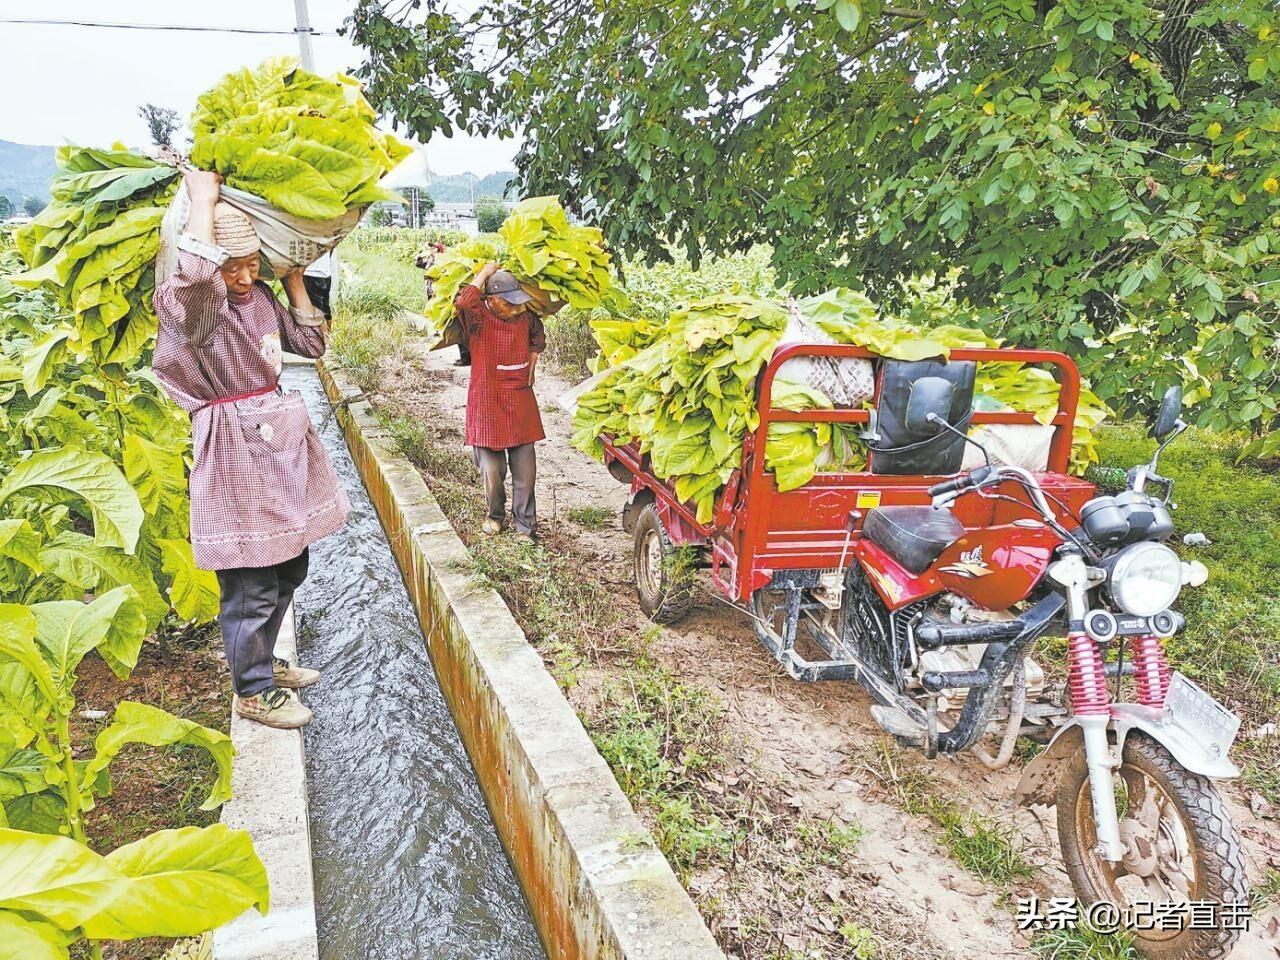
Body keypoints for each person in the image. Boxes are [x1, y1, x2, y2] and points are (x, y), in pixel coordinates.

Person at [152, 169, 351, 730]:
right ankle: (254, 692)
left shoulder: (260, 295)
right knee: (250, 576)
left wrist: (290, 278)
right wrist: (204, 199)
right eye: (230, 265)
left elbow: (311, 342)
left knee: (291, 563)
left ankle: (263, 660)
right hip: (235, 450)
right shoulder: (191, 305)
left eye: (251, 263)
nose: (241, 276)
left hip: (278, 443)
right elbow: (195, 274)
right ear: (211, 260)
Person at [454, 261, 545, 540]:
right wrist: (485, 272)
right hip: (487, 404)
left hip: (519, 400)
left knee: (525, 472)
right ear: (491, 300)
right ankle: (495, 515)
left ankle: (525, 527)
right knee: (492, 471)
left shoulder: (525, 319)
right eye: (509, 303)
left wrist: (531, 367)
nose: (516, 308)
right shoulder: (478, 319)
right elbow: (463, 301)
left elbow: (537, 338)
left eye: (518, 302)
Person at [418, 241, 470, 366]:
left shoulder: (445, 261)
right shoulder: (431, 260)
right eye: (431, 249)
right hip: (437, 293)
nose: (432, 250)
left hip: (449, 296)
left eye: (434, 249)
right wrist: (421, 255)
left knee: (458, 328)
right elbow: (419, 265)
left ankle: (466, 358)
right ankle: (465, 357)